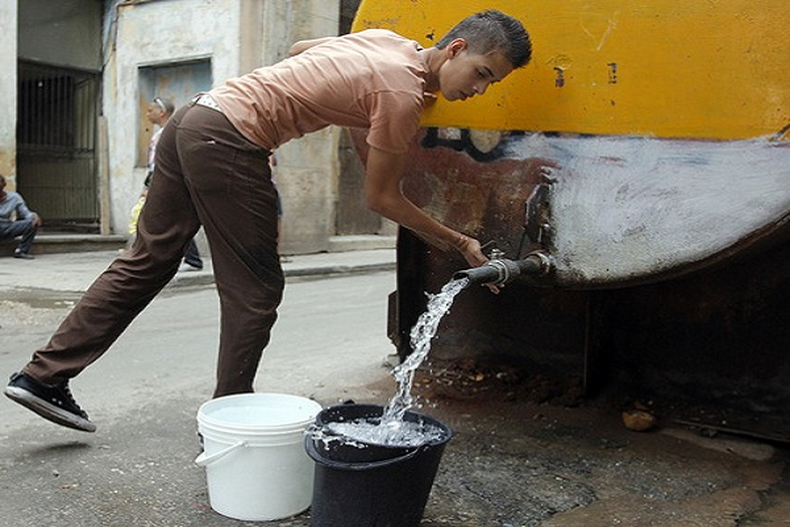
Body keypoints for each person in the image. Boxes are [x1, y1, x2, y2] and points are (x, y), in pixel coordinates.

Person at [4, 10, 532, 432]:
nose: (480, 88)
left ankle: (42, 376)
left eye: (493, 83)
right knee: (255, 292)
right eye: (482, 73)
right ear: (457, 49)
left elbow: (304, 53)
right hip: (231, 140)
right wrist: (459, 240)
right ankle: (231, 421)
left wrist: (328, 106)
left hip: (197, 116)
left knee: (147, 259)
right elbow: (382, 199)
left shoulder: (387, 42)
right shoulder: (400, 96)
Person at [139, 96, 204, 271]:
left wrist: (152, 185)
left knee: (172, 220)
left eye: (150, 110)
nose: (147, 114)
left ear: (161, 113)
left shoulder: (170, 133)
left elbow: (164, 163)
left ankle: (191, 259)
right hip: (159, 179)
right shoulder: (160, 134)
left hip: (167, 181)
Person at [0, 175, 42, 260]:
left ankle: (21, 250)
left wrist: (33, 216)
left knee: (32, 223)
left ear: (4, 184)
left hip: (7, 227)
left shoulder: (14, 197)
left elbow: (24, 212)